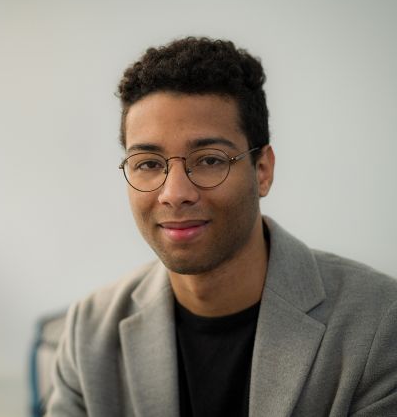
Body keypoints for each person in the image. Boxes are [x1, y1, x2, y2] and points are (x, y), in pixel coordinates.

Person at [45, 37, 397, 417]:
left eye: (210, 160)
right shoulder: (89, 332)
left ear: (262, 170)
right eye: (148, 163)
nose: (174, 193)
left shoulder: (378, 324)